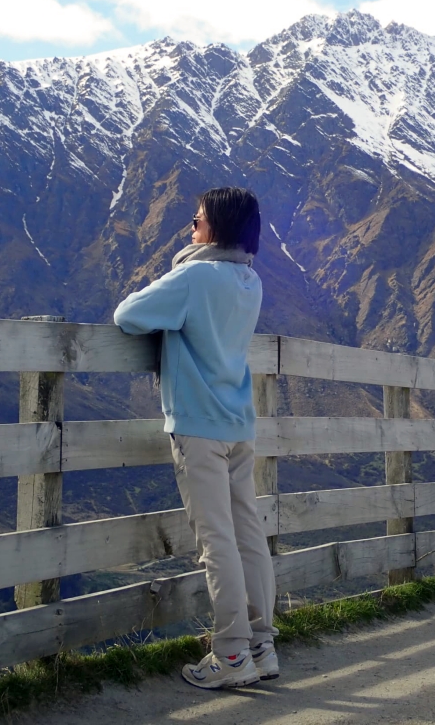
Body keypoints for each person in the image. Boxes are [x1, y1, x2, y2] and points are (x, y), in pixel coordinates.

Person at [113, 186, 278, 690]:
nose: (191, 227)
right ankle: (260, 645)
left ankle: (229, 655)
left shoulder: (194, 277)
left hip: (198, 427)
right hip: (237, 424)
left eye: (197, 219)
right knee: (248, 533)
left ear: (216, 228)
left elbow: (128, 314)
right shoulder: (249, 281)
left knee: (216, 542)